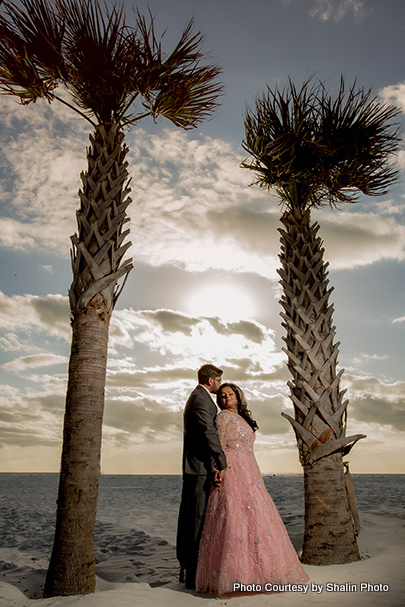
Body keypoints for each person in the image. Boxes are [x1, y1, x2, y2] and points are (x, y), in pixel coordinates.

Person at [196, 383, 309, 596]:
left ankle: (261, 572)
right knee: (234, 515)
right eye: (222, 395)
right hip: (231, 467)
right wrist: (217, 469)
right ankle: (234, 576)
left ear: (238, 397)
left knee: (256, 515)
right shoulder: (223, 418)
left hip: (249, 469)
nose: (226, 398)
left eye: (230, 394)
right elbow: (218, 445)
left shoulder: (242, 418)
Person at [176, 364, 227, 590]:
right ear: (210, 380)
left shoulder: (201, 397)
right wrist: (221, 460)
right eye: (218, 381)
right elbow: (208, 430)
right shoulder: (200, 398)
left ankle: (193, 572)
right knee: (194, 522)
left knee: (196, 520)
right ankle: (192, 576)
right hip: (197, 469)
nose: (219, 385)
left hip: (200, 468)